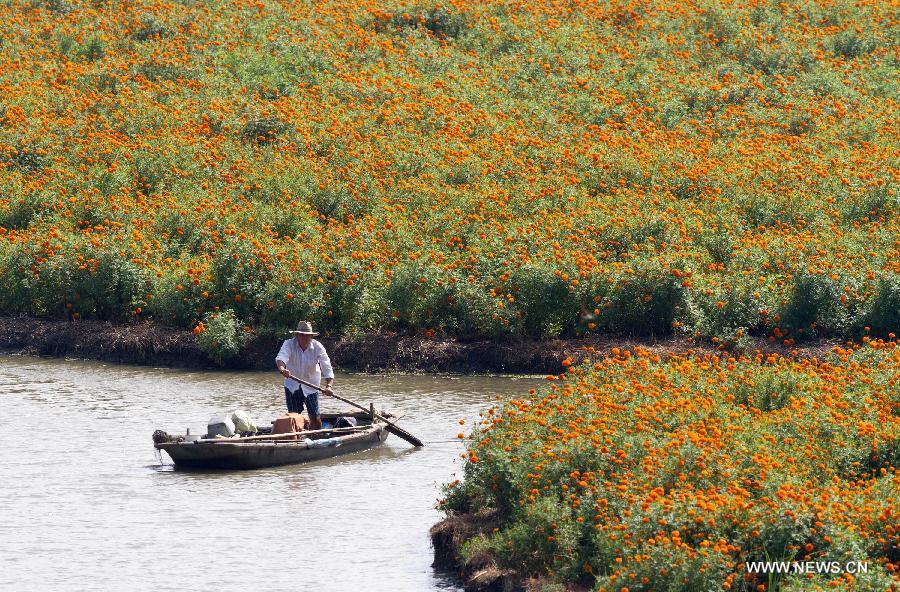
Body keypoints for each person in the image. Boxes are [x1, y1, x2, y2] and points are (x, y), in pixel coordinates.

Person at [275, 320, 334, 431]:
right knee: (293, 417)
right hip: (292, 386)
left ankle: (316, 438)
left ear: (311, 336)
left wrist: (329, 386)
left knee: (315, 417)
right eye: (302, 335)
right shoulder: (288, 344)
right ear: (297, 335)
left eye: (307, 336)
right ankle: (297, 439)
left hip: (311, 386)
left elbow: (327, 367)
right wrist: (283, 369)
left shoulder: (318, 347)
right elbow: (281, 358)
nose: (304, 338)